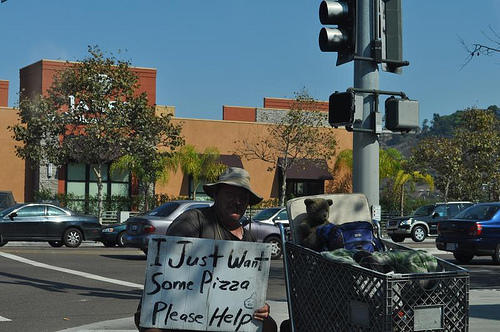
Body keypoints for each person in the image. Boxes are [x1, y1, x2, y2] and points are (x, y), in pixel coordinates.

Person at [135, 167, 278, 332]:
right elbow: (164, 280)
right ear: (216, 195)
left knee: (270, 327)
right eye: (230, 194)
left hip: (227, 320)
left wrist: (261, 308)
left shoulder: (249, 239)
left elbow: (249, 295)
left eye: (243, 197)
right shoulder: (193, 221)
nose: (237, 202)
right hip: (184, 319)